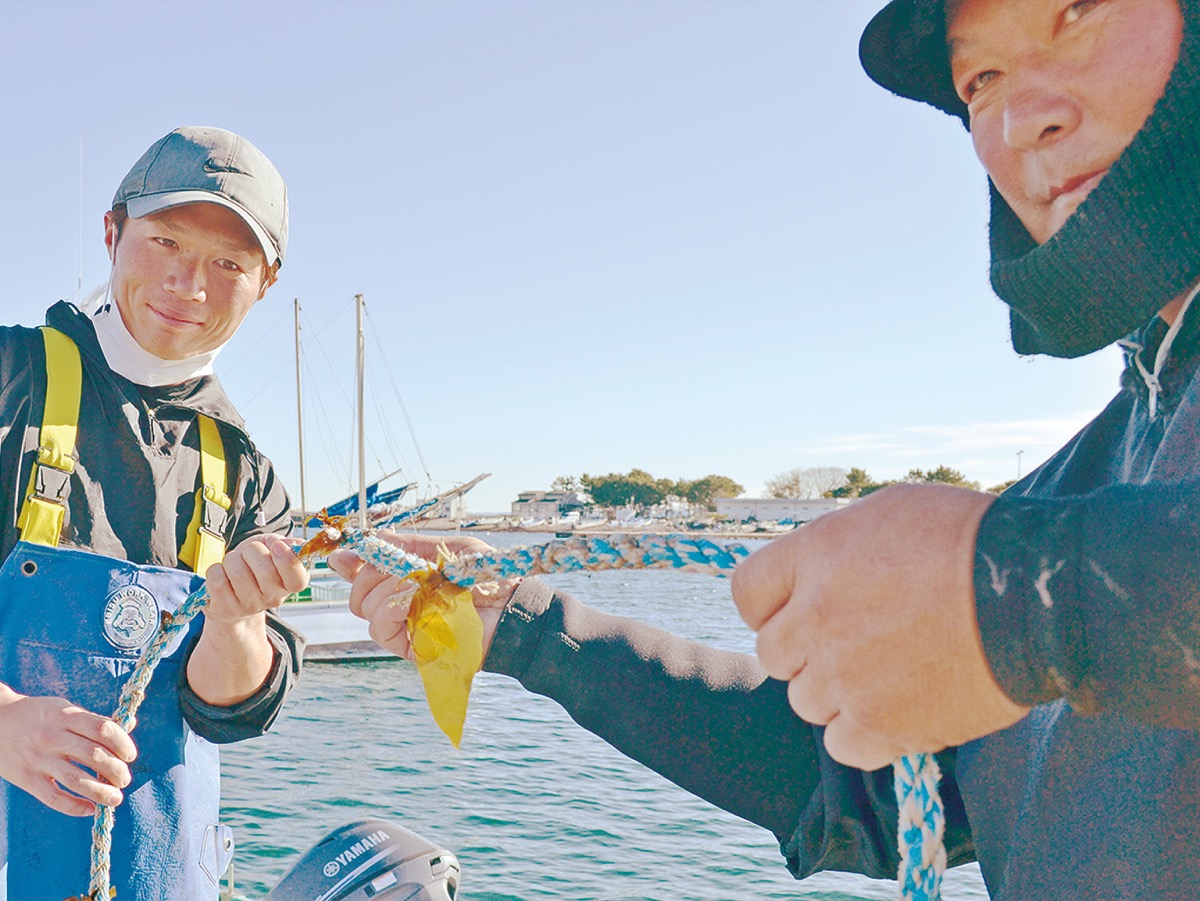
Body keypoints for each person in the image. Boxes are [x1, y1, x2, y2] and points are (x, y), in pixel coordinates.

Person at [333, 0, 1200, 896]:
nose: (1023, 117)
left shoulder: (1041, 539)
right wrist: (521, 627)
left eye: (1079, 13)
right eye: (981, 80)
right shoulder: (1079, 490)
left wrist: (1020, 599)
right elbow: (865, 789)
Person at [0, 126, 308, 900]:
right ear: (112, 232)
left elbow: (232, 710)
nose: (189, 284)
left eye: (229, 263)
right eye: (165, 240)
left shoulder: (245, 473)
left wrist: (235, 623)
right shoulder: (13, 376)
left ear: (264, 282)